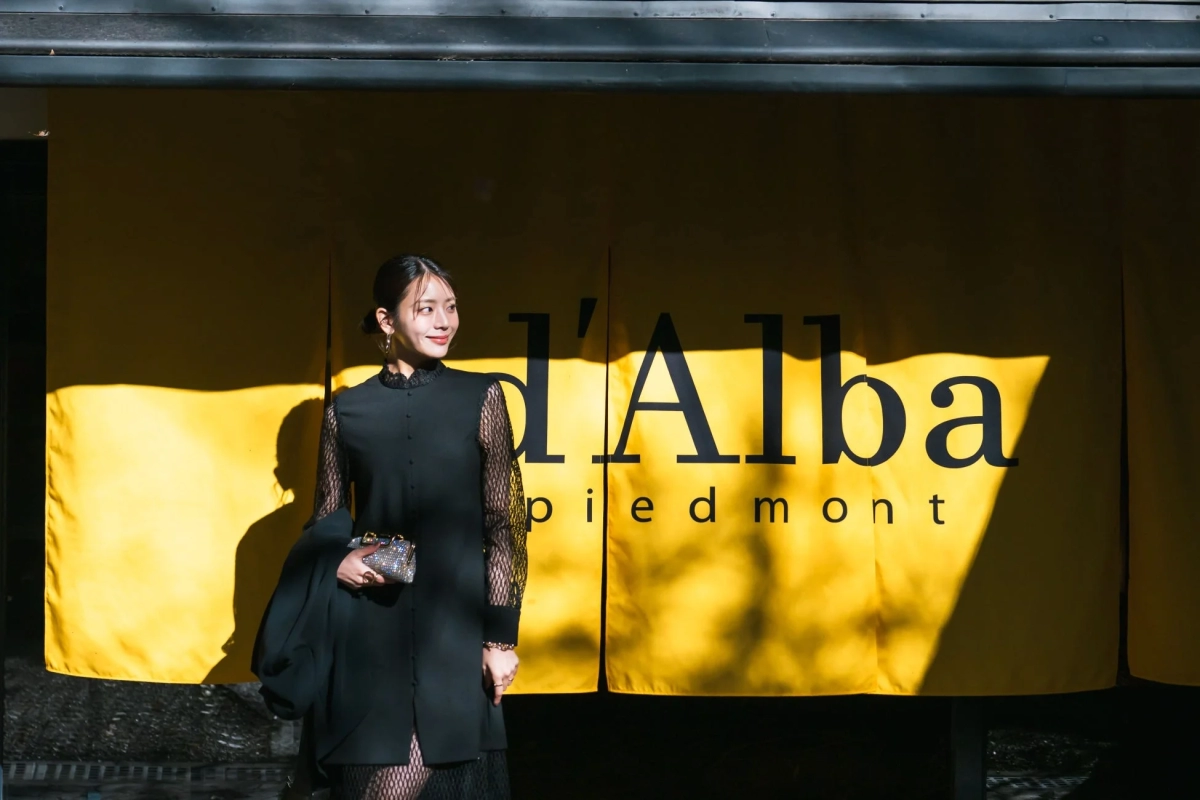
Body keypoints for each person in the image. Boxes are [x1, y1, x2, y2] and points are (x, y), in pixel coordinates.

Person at [254, 254, 527, 800]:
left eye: (450, 307)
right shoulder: (346, 412)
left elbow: (507, 526)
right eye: (425, 309)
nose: (443, 321)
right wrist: (339, 560)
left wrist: (500, 638)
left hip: (453, 632)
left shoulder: (482, 398)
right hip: (368, 637)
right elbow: (327, 521)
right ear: (386, 320)